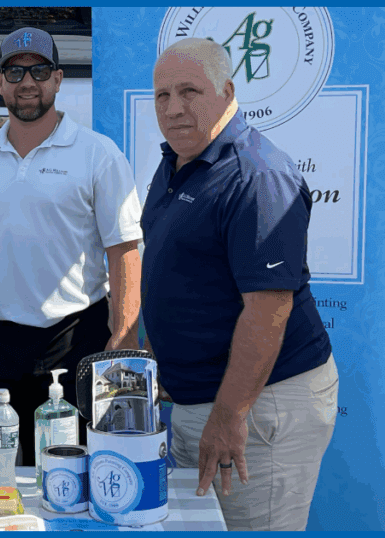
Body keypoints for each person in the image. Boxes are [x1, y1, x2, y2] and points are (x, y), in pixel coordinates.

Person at [0, 27, 143, 466]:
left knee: (75, 469)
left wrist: (125, 334)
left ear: (58, 80)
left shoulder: (98, 154)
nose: (28, 82)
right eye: (15, 71)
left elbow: (124, 250)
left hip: (77, 338)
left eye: (39, 71)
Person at [143, 38, 339, 531]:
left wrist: (230, 417)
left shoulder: (257, 175)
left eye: (190, 91)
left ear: (227, 91)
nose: (173, 108)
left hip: (257, 408)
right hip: (204, 402)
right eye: (162, 96)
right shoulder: (178, 161)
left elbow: (267, 310)